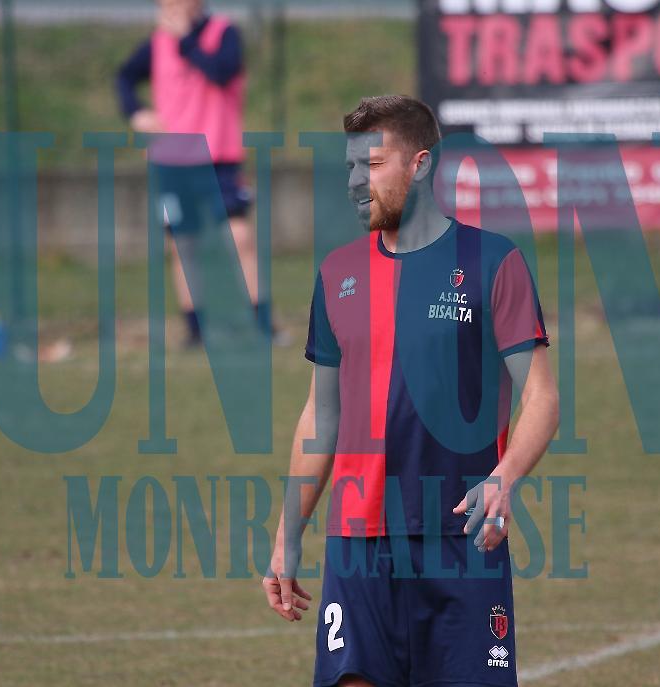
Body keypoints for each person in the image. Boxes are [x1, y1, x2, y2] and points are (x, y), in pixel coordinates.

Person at [261, 95, 560, 687]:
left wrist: (504, 478)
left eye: (372, 165)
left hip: (460, 536)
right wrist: (288, 533)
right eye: (351, 167)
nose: (356, 181)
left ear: (420, 164)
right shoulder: (338, 273)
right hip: (357, 545)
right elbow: (321, 414)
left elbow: (542, 398)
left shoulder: (492, 262)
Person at [116, 0, 279, 347]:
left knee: (239, 238)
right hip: (171, 161)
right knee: (182, 244)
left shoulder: (224, 33)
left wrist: (186, 40)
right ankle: (195, 331)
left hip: (218, 158)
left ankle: (264, 324)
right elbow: (124, 77)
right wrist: (136, 112)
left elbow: (222, 72)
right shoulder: (157, 42)